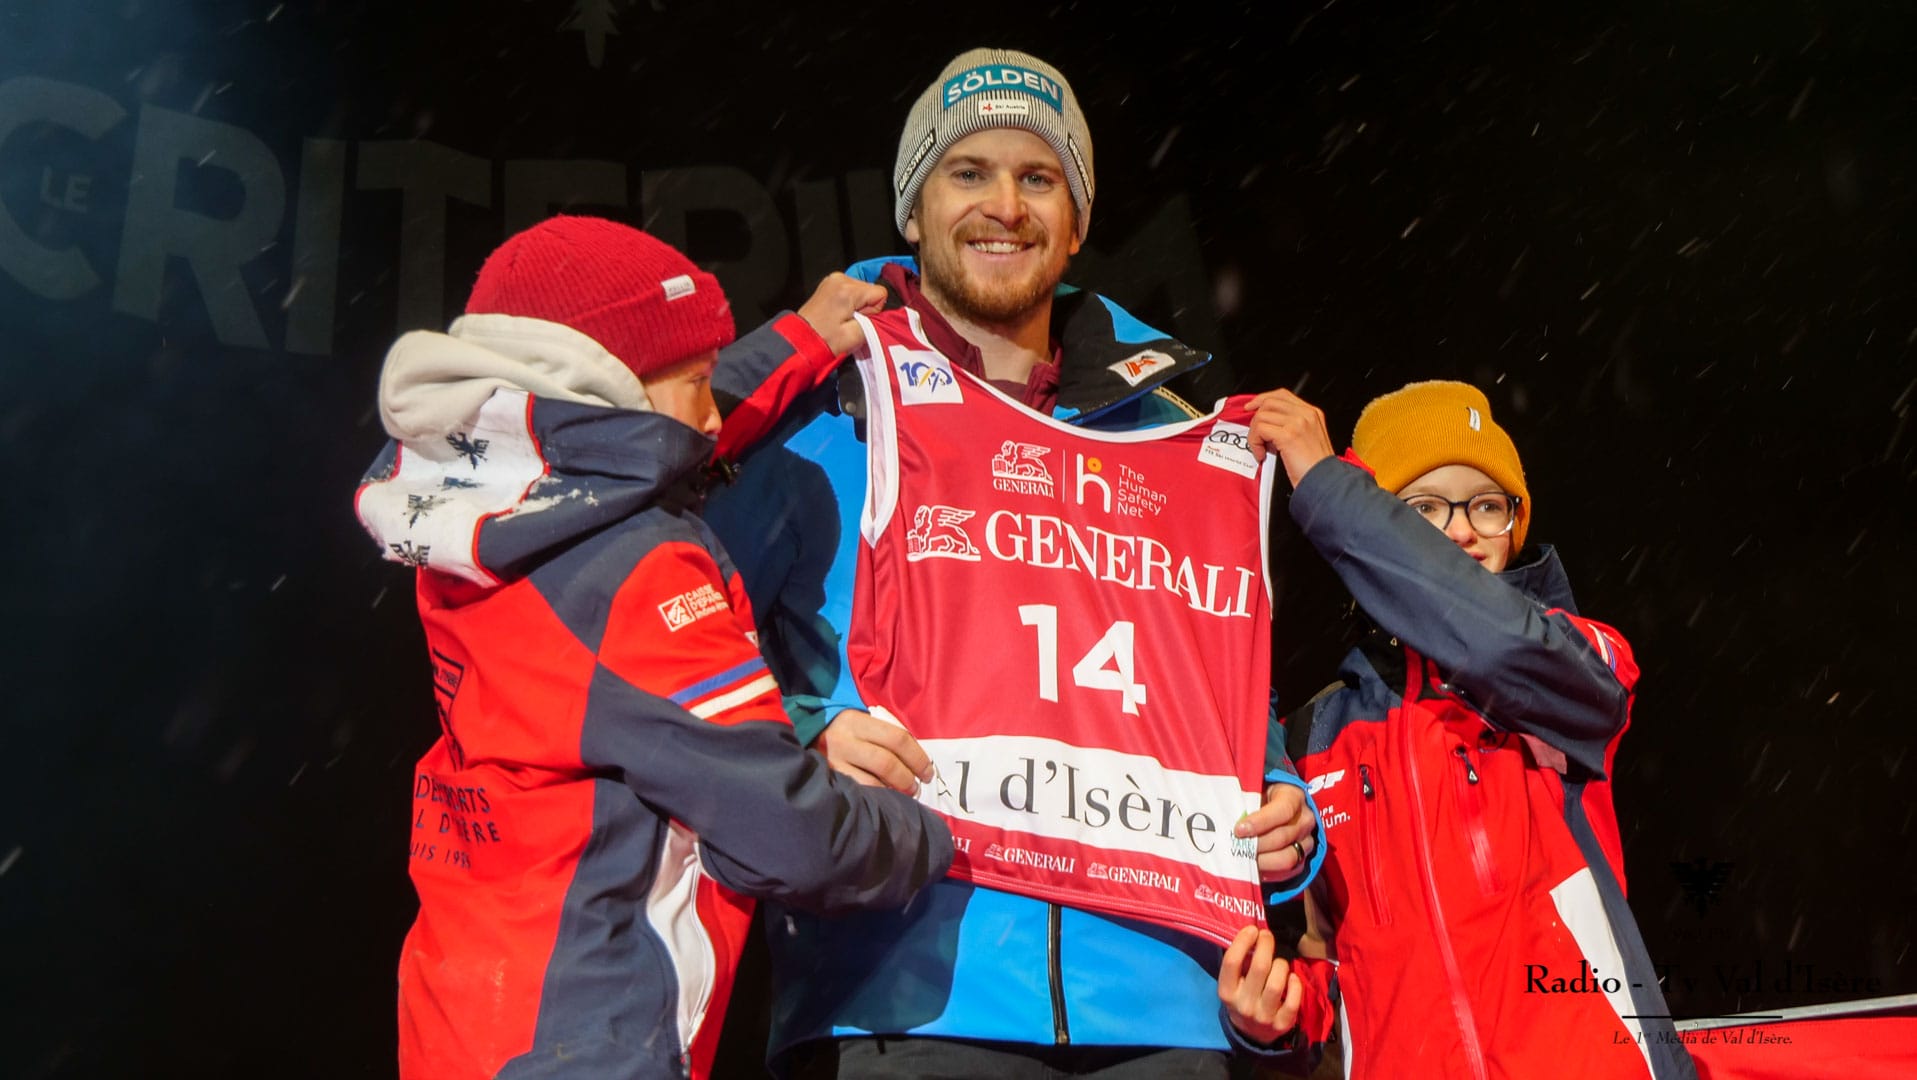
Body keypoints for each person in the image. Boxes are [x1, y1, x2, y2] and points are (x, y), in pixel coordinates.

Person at [703, 48, 1320, 1078]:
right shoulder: (832, 410)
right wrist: (802, 739)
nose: (1004, 206)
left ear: (1076, 223)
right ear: (913, 209)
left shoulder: (1166, 433)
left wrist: (1281, 811)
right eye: (968, 173)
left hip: (1165, 1006)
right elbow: (666, 634)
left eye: (1038, 178)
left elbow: (1215, 685)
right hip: (907, 996)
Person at [353, 215, 953, 1080]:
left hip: (470, 1009)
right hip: (594, 1035)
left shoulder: (482, 505)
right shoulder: (634, 569)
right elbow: (791, 836)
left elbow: (632, 436)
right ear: (605, 383)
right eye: (699, 381)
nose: (710, 418)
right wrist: (937, 836)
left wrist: (795, 341)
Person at [1241, 380, 1696, 1078]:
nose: (1461, 530)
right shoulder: (1313, 736)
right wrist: (1275, 1017)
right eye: (1423, 507)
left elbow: (1497, 642)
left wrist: (1327, 486)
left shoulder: (1576, 658)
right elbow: (1335, 977)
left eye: (1486, 505)